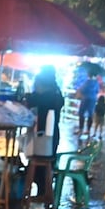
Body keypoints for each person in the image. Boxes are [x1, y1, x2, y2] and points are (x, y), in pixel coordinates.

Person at [24, 65, 65, 196]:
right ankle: (43, 195)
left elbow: (30, 100)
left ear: (41, 84)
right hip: (51, 135)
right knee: (44, 166)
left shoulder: (44, 97)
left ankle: (41, 196)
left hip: (43, 135)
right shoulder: (56, 93)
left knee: (39, 166)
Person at [75, 63, 101, 136]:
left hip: (85, 99)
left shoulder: (87, 82)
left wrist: (79, 90)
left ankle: (81, 129)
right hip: (93, 100)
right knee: (90, 114)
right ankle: (88, 130)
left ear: (89, 74)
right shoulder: (96, 83)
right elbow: (97, 91)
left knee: (81, 113)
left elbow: (83, 90)